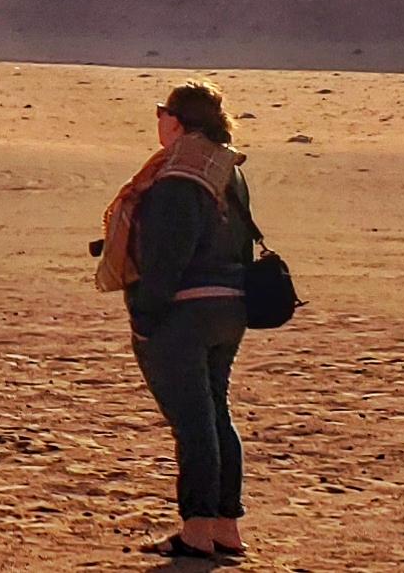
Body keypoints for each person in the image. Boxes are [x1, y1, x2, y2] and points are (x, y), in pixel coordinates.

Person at [94, 81, 261, 561]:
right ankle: (226, 527)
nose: (158, 120)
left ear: (178, 121)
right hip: (230, 308)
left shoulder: (179, 176)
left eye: (162, 112)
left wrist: (145, 317)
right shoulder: (225, 167)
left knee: (194, 424)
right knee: (214, 414)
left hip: (185, 314)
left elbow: (167, 258)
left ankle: (197, 531)